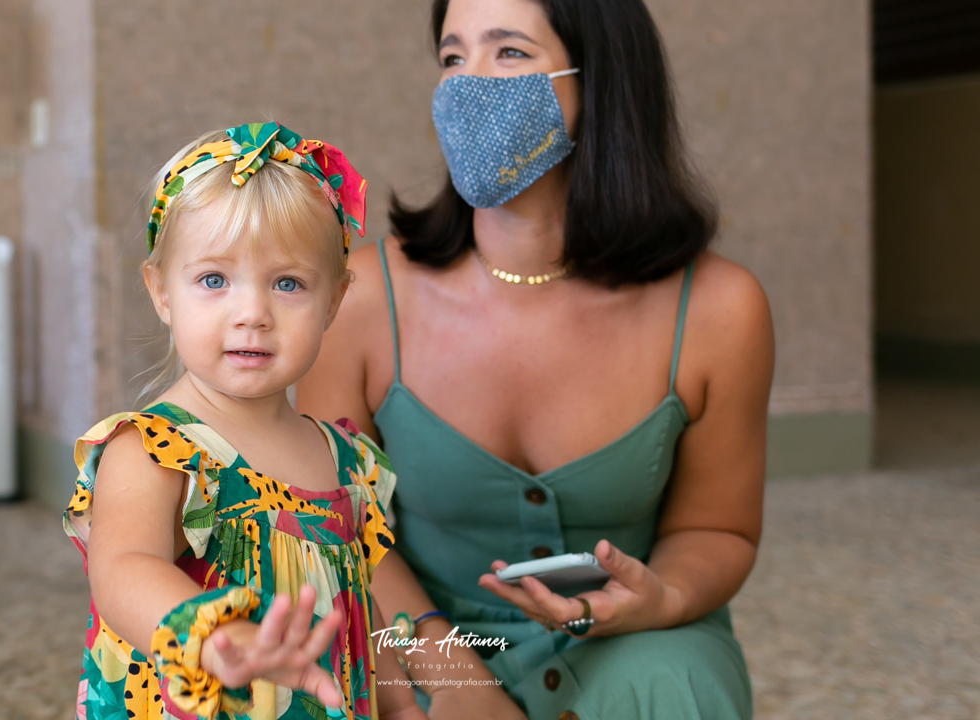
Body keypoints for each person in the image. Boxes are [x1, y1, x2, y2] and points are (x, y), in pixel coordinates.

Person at [296, 0, 775, 718]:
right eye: (453, 57)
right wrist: (457, 680)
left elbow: (717, 528)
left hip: (623, 639)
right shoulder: (360, 299)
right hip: (419, 639)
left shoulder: (720, 308)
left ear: (601, 82)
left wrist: (660, 597)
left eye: (510, 53)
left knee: (673, 685)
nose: (467, 84)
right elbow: (332, 529)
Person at [62, 122, 427, 720]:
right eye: (214, 280)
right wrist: (210, 636)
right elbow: (122, 568)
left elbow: (359, 606)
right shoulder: (155, 449)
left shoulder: (344, 458)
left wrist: (400, 704)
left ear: (334, 300)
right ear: (161, 292)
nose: (252, 313)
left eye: (288, 283)